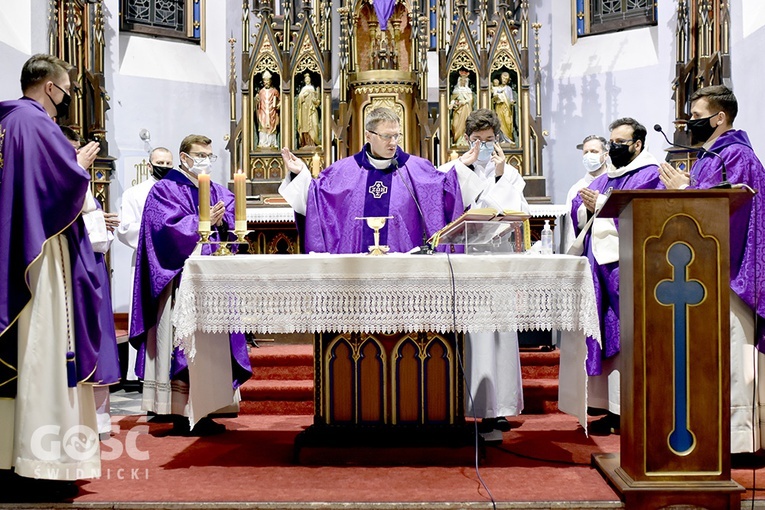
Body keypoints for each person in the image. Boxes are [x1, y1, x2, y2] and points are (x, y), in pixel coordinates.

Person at [0, 53, 102, 494]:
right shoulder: (37, 123)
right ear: (49, 87)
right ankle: (42, 463)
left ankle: (9, 455)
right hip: (38, 257)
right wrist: (78, 166)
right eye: (65, 93)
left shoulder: (5, 120)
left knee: (18, 356)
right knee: (41, 349)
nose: (63, 103)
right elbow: (57, 187)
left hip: (11, 249)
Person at [658, 85, 765, 453]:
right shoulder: (711, 155)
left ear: (720, 118)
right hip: (708, 270)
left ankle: (741, 440)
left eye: (697, 118)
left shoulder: (734, 155)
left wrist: (687, 187)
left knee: (735, 353)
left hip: (732, 271)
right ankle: (717, 434)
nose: (691, 124)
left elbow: (732, 209)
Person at [129, 134, 252, 435]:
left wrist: (222, 223)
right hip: (180, 282)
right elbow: (163, 230)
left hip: (214, 283)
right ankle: (182, 412)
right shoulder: (164, 190)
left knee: (211, 344)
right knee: (181, 343)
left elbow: (232, 231)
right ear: (184, 158)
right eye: (200, 155)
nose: (206, 161)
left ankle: (209, 406)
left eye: (210, 155)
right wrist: (201, 221)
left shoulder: (215, 191)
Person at [437, 108, 529, 437]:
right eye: (477, 140)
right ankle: (465, 404)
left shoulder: (510, 173)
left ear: (499, 140)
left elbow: (519, 211)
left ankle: (498, 408)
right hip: (466, 260)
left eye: (490, 140)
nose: (484, 147)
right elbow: (443, 205)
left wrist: (502, 175)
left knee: (500, 334)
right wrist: (462, 167)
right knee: (472, 334)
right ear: (465, 140)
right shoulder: (451, 169)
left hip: (498, 259)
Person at [569, 117, 661, 434]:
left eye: (621, 143)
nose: (614, 148)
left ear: (637, 145)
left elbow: (649, 215)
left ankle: (630, 411)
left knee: (626, 338)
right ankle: (609, 407)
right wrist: (585, 206)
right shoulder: (609, 176)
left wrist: (604, 205)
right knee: (604, 335)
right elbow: (580, 207)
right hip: (600, 269)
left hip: (628, 268)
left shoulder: (650, 175)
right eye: (612, 142)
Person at [279, 107, 462, 254]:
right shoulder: (342, 171)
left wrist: (464, 167)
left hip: (403, 270)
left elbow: (446, 194)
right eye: (386, 136)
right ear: (368, 135)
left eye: (396, 136)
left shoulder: (416, 169)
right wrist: (300, 173)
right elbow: (316, 199)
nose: (393, 142)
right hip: (354, 275)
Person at [60, 126, 121, 441]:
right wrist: (97, 222)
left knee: (99, 339)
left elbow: (95, 234)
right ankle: (87, 422)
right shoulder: (67, 180)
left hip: (91, 267)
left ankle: (98, 421)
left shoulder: (79, 183)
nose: (77, 154)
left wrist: (100, 219)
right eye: (71, 148)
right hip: (77, 268)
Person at [115, 146, 174, 390]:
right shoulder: (134, 193)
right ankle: (140, 372)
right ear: (149, 165)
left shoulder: (179, 191)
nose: (165, 166)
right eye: (160, 162)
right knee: (146, 314)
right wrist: (157, 232)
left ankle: (170, 369)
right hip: (146, 262)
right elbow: (124, 228)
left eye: (169, 163)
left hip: (173, 261)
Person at [563, 135, 610, 253]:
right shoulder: (576, 189)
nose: (589, 155)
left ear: (606, 155)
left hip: (609, 247)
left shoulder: (614, 182)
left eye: (594, 151)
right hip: (585, 247)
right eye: (586, 152)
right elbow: (570, 229)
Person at [256, 70, 280, 149]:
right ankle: (263, 142)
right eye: (265, 81)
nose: (266, 82)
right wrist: (256, 100)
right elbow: (257, 102)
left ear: (270, 81)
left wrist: (278, 105)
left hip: (271, 112)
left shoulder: (274, 91)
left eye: (268, 80)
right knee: (262, 125)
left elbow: (280, 101)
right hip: (263, 112)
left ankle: (271, 143)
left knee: (272, 125)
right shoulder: (261, 91)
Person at [449, 70, 473, 146]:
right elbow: (452, 100)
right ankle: (457, 140)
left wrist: (464, 102)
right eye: (461, 80)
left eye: (464, 81)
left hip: (466, 109)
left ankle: (465, 140)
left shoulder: (468, 90)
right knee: (455, 125)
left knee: (466, 124)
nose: (463, 82)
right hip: (458, 110)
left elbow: (471, 100)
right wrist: (454, 103)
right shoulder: (456, 91)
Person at [296, 73, 320, 148]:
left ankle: (313, 142)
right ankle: (306, 143)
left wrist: (315, 100)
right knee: (304, 126)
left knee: (314, 124)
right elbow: (299, 100)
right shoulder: (303, 90)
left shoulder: (313, 89)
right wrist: (303, 95)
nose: (307, 81)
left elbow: (317, 102)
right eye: (306, 79)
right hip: (304, 111)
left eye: (308, 79)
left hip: (312, 110)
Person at [492, 71, 516, 143]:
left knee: (508, 122)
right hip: (499, 107)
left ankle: (508, 138)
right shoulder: (497, 88)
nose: (504, 81)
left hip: (507, 108)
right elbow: (493, 98)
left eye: (506, 79)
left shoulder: (508, 88)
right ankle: (501, 139)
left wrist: (512, 102)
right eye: (503, 79)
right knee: (500, 122)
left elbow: (511, 98)